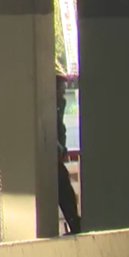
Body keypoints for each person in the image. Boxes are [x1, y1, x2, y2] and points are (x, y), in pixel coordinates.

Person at [56, 74, 81, 234]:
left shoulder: (58, 108)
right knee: (64, 191)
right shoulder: (50, 110)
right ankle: (74, 222)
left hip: (58, 156)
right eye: (61, 90)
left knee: (66, 192)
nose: (63, 94)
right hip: (55, 160)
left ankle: (74, 222)